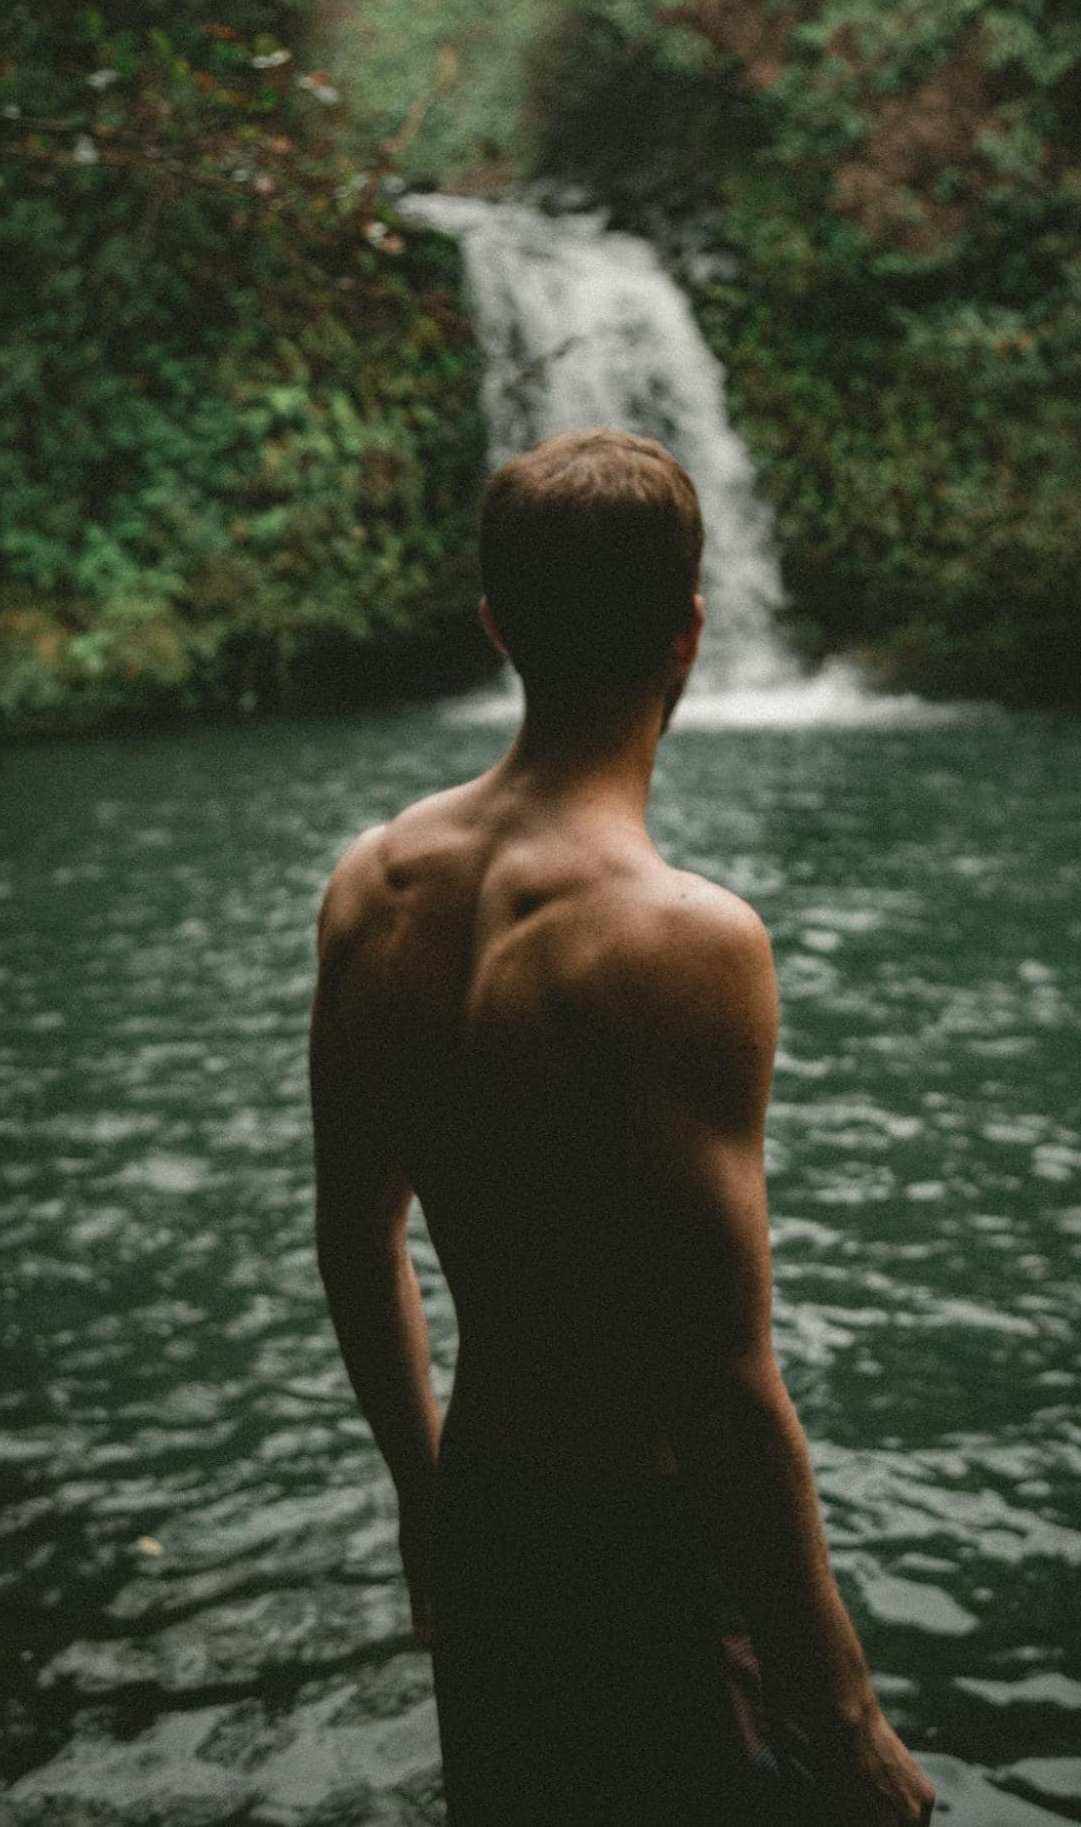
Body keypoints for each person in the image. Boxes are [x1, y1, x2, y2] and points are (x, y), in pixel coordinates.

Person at [310, 428, 937, 1826]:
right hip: (648, 1548)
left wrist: (427, 1505)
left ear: (496, 630)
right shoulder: (680, 941)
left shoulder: (369, 887)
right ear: (689, 633)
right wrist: (843, 1716)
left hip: (481, 1498)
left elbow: (355, 1237)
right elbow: (722, 1380)